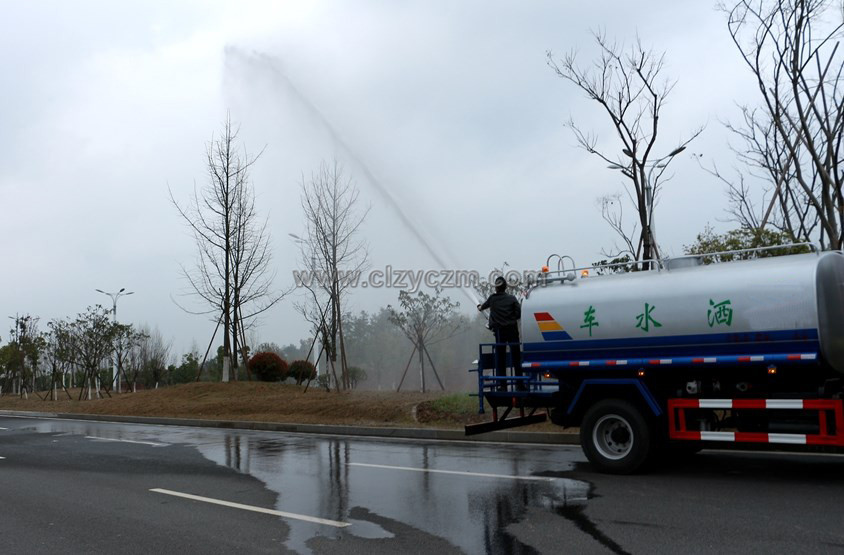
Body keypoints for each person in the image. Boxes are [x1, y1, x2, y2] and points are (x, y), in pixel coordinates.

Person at [477, 276, 523, 391]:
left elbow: (482, 307)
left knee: (500, 358)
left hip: (500, 332)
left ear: (496, 288)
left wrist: (479, 306)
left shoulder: (493, 299)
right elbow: (518, 314)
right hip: (512, 330)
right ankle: (520, 384)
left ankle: (502, 386)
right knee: (516, 357)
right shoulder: (512, 298)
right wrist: (510, 319)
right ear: (505, 287)